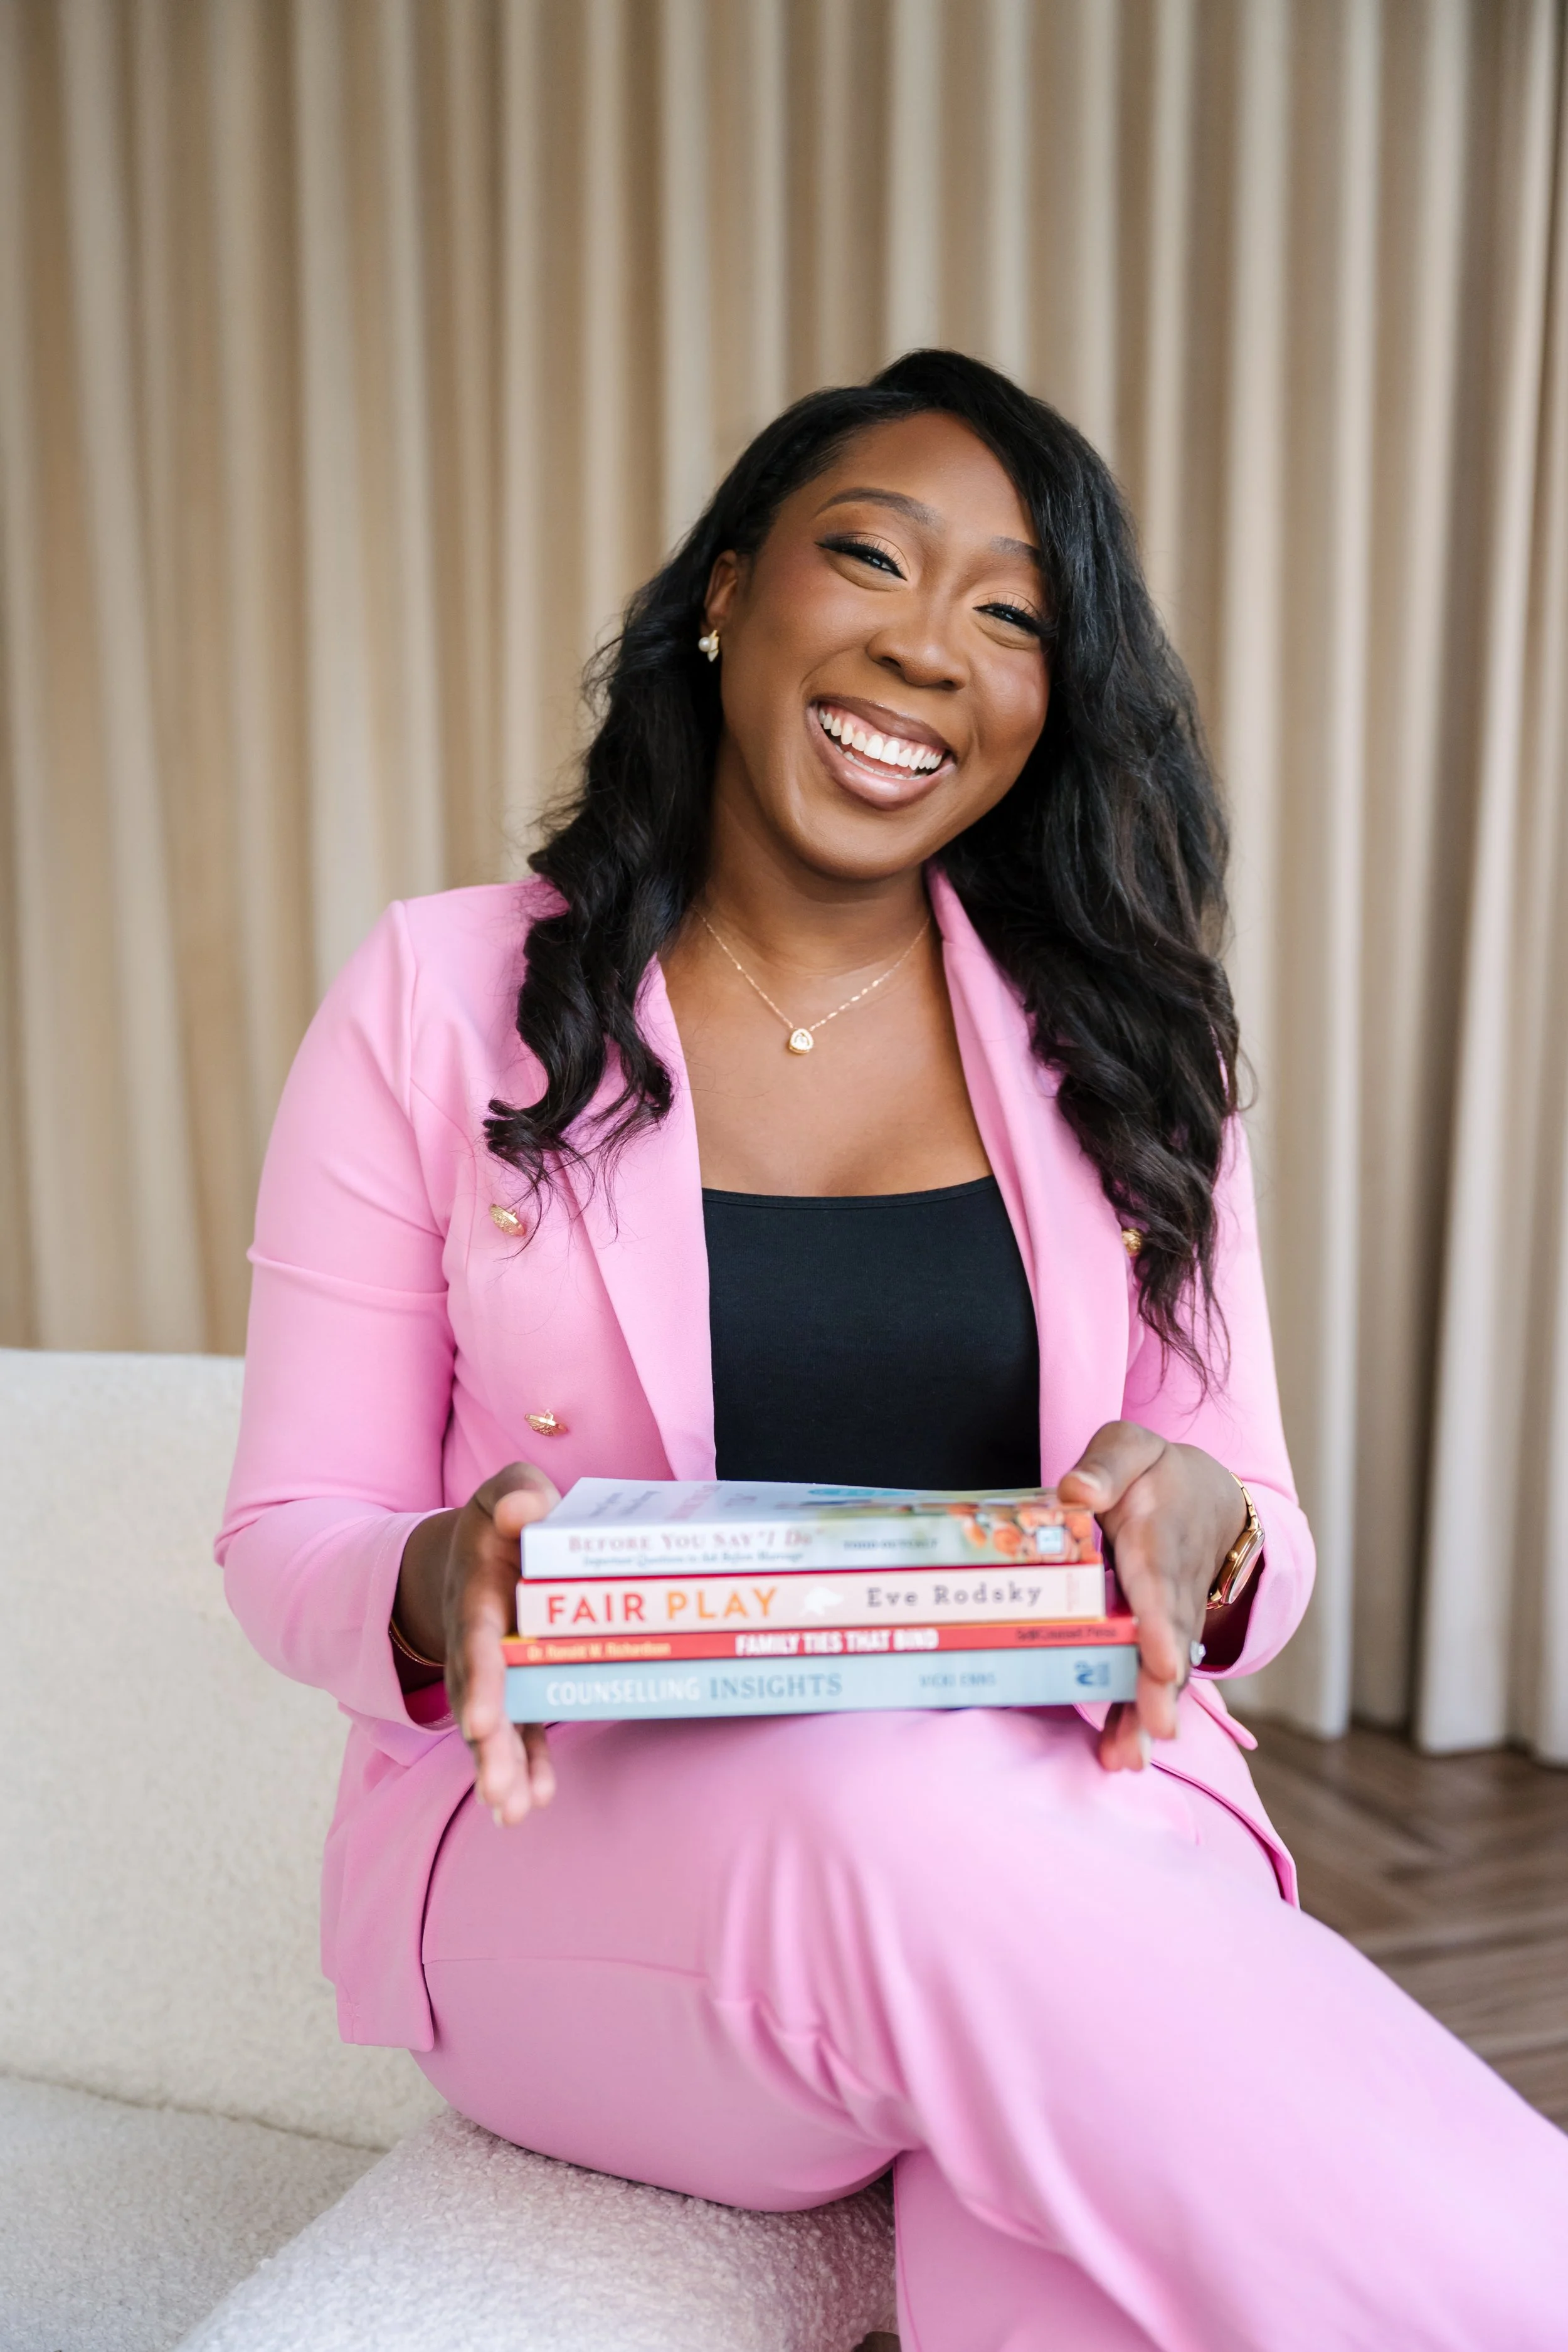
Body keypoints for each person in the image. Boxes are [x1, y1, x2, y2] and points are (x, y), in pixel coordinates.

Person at [219, 350, 1567, 2349]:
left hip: (1072, 1825)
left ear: (1050, 703)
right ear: (726, 589)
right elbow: (288, 1533)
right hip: (562, 1861)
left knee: (1066, 2280)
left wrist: (1202, 1526)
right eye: (872, 558)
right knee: (898, 1815)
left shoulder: (1133, 1036)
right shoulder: (442, 996)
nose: (930, 650)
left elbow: (1251, 1525)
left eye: (1012, 615)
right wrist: (440, 1573)